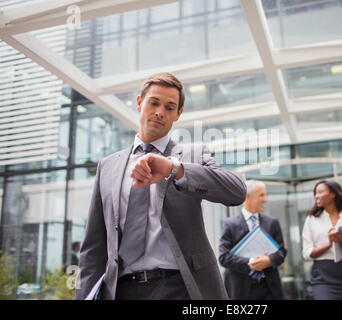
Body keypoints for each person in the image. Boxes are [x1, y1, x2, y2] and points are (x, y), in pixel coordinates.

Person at [75, 72, 247, 300]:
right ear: (139, 103)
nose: (160, 112)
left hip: (180, 288)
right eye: (154, 103)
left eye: (169, 107)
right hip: (121, 290)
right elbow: (93, 249)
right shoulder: (107, 167)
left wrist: (173, 169)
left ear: (178, 114)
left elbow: (237, 191)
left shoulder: (192, 155)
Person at [219, 180, 287, 300]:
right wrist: (251, 262)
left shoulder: (272, 223)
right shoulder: (229, 224)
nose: (265, 199)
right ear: (248, 197)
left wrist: (269, 260)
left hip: (270, 288)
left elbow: (282, 252)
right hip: (241, 289)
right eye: (261, 195)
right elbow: (223, 258)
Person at [302, 180, 342, 300]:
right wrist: (329, 243)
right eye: (315, 193)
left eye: (320, 192)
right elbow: (307, 253)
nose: (316, 196)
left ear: (333, 194)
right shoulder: (311, 219)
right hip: (322, 274)